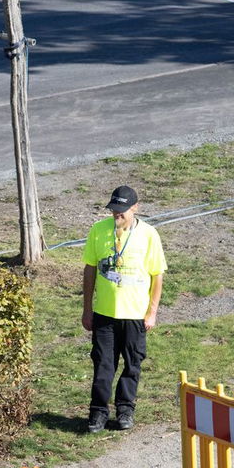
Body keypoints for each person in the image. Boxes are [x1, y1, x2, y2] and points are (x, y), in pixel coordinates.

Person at [81, 185, 166, 433]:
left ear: (135, 208)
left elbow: (157, 275)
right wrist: (87, 309)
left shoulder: (149, 235)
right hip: (105, 314)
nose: (117, 216)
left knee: (132, 365)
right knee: (103, 365)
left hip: (135, 315)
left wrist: (152, 312)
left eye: (122, 212)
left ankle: (125, 409)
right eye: (114, 211)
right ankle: (98, 413)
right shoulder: (98, 231)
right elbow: (90, 269)